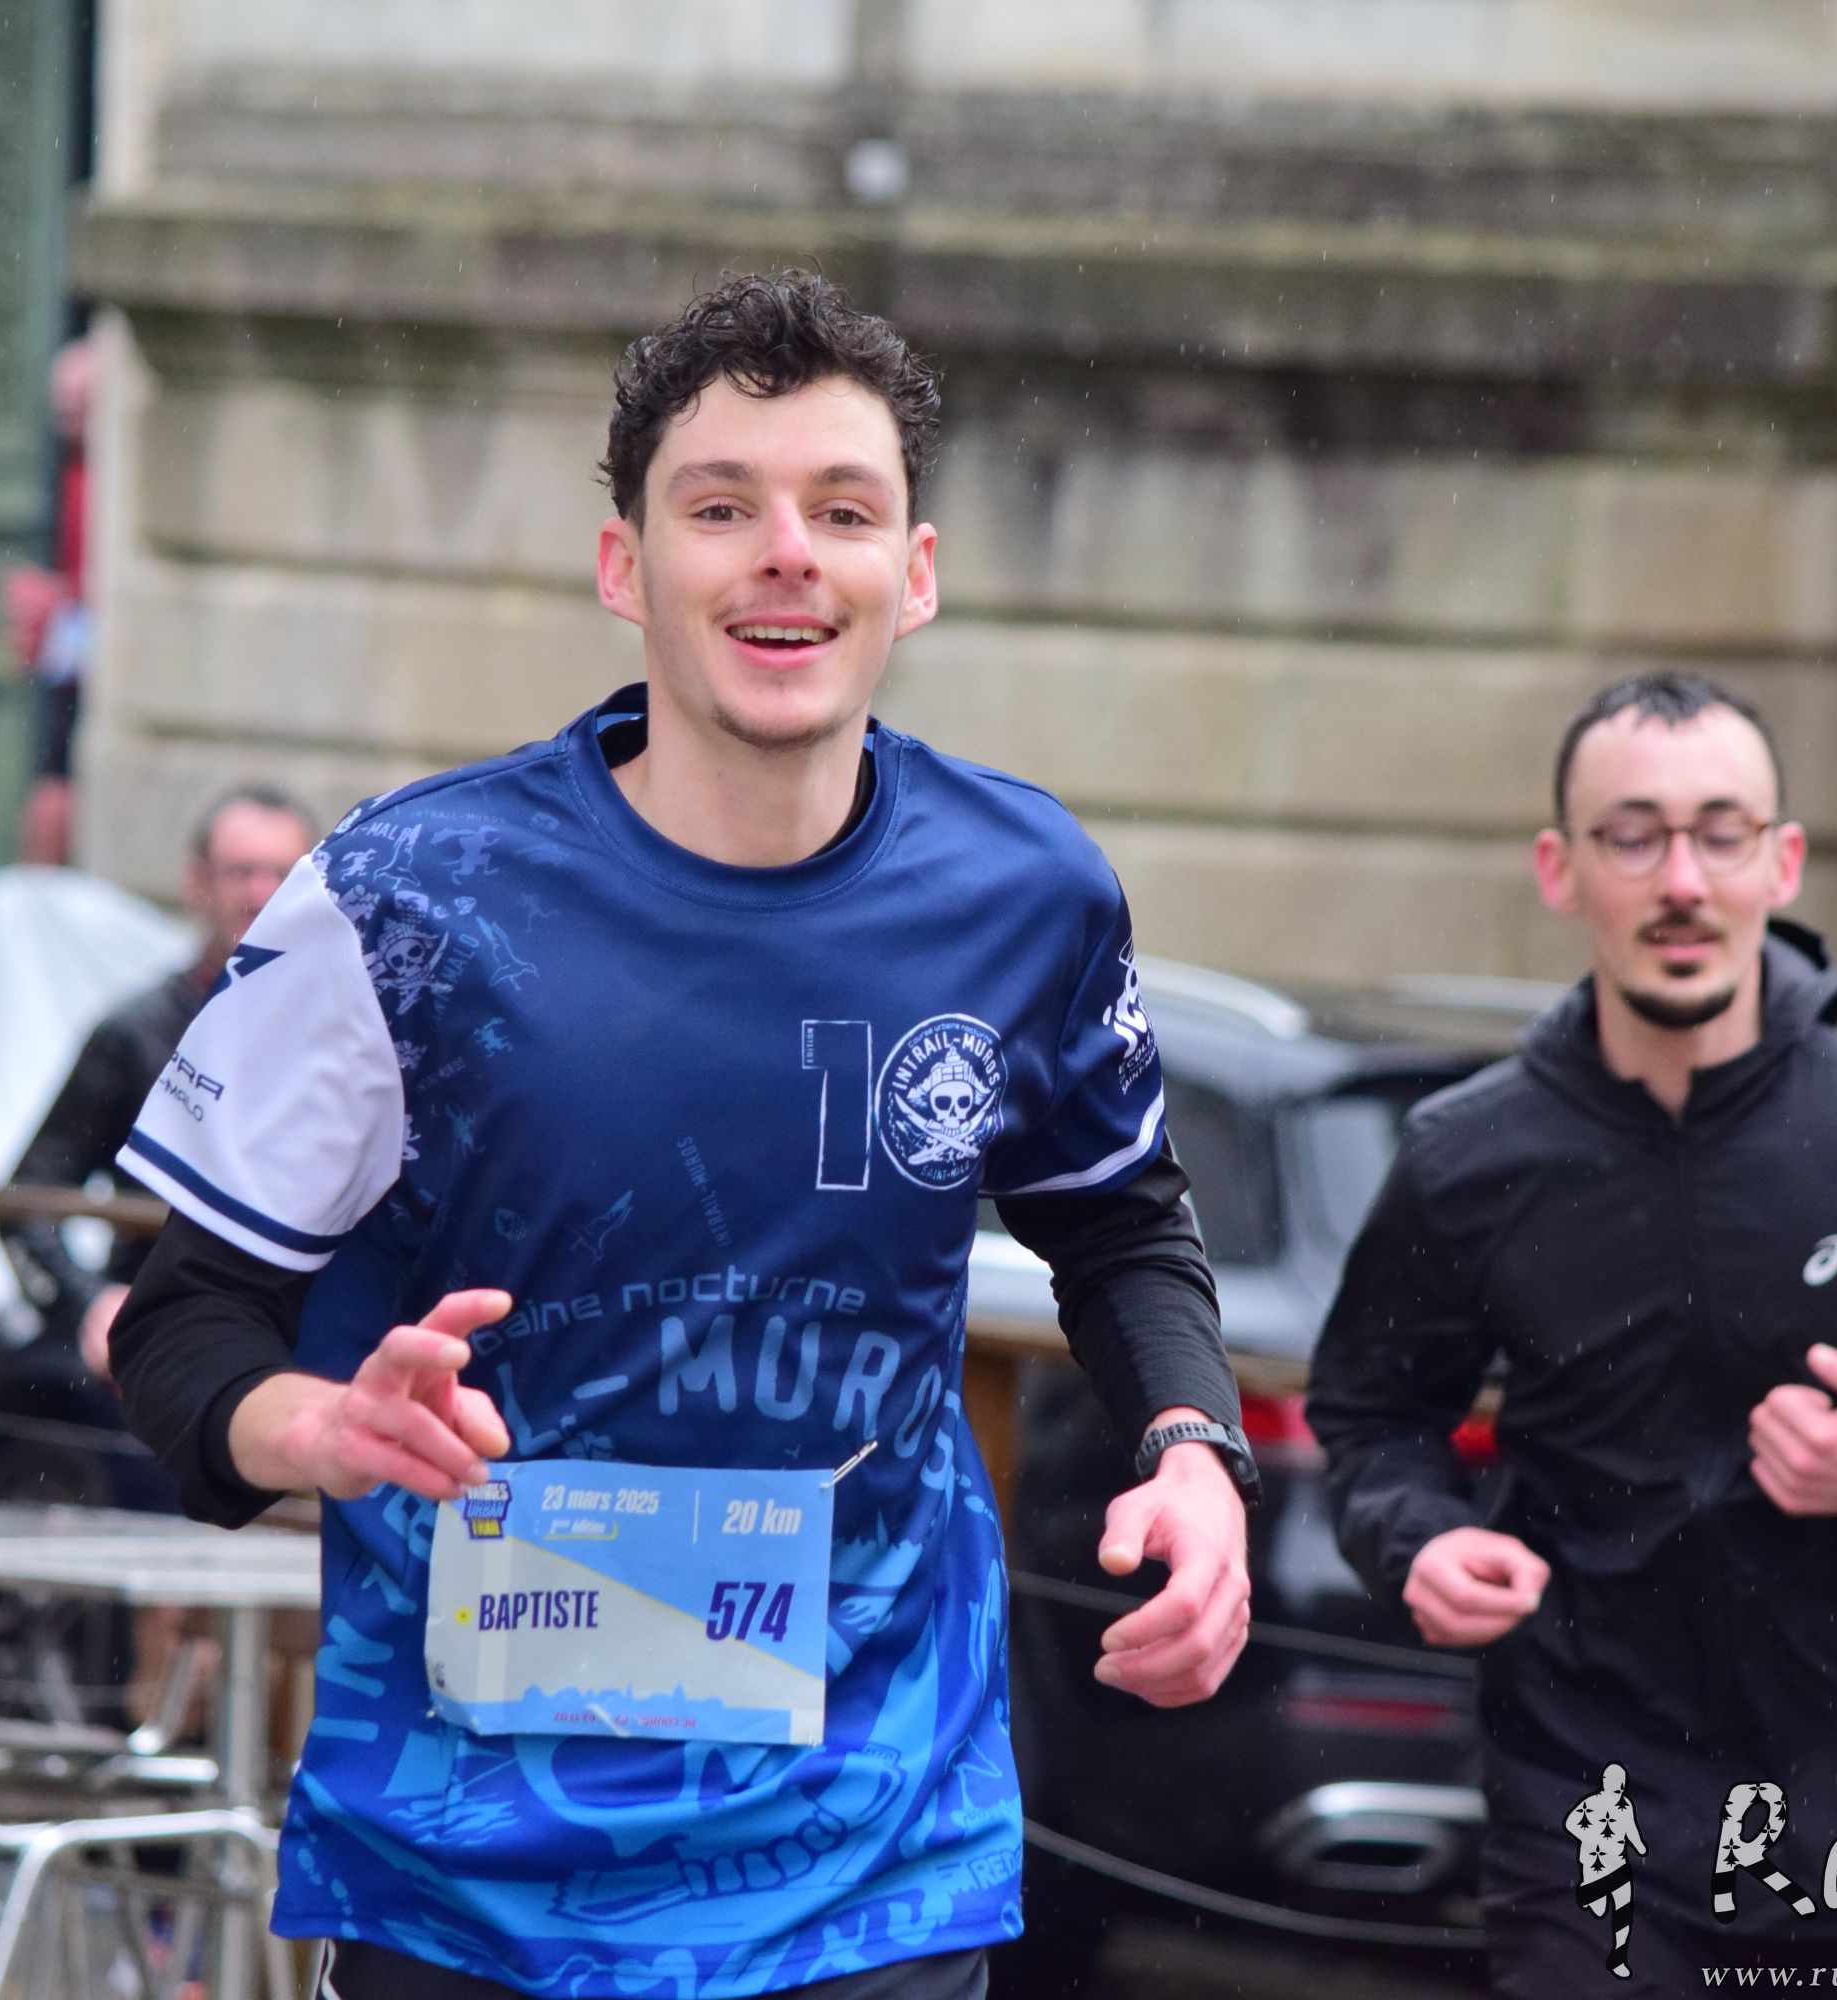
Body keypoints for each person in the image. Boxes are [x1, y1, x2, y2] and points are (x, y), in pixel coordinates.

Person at [106, 270, 1257, 1998]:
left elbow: (1119, 1224)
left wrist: (1192, 1448)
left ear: (914, 574)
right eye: (721, 509)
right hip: (475, 1881)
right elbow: (179, 1327)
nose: (786, 555)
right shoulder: (405, 901)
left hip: (868, 1857)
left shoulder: (1028, 894)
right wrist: (323, 1430)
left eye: (841, 511)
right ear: (624, 566)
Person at [1304, 671, 1837, 1992]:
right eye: (1632, 836)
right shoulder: (1469, 1156)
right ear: (1560, 868)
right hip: (1587, 1812)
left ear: (1782, 861)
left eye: (1721, 833)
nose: (1681, 882)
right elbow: (1373, 1416)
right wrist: (1422, 1536)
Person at [1, 786, 317, 1380]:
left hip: (303, 1350)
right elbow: (26, 1199)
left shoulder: (344, 1039)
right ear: (198, 883)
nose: (260, 893)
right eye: (241, 872)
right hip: (162, 1348)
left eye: (281, 874)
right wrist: (90, 1304)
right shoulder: (133, 1034)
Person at [7, 333, 95, 868]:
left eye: (78, 404)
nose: (67, 416)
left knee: (59, 777)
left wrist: (57, 598)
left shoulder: (100, 478)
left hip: (85, 641)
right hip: (64, 647)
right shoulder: (60, 471)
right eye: (61, 404)